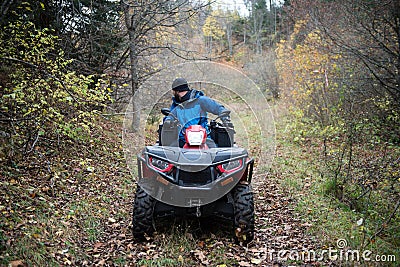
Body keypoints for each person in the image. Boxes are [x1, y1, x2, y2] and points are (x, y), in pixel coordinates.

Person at [164, 77, 230, 147]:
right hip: (182, 140)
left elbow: (219, 108)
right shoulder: (176, 104)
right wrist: (167, 120)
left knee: (216, 153)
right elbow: (170, 115)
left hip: (203, 138)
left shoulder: (200, 100)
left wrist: (225, 118)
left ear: (176, 91)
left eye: (173, 92)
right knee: (169, 152)